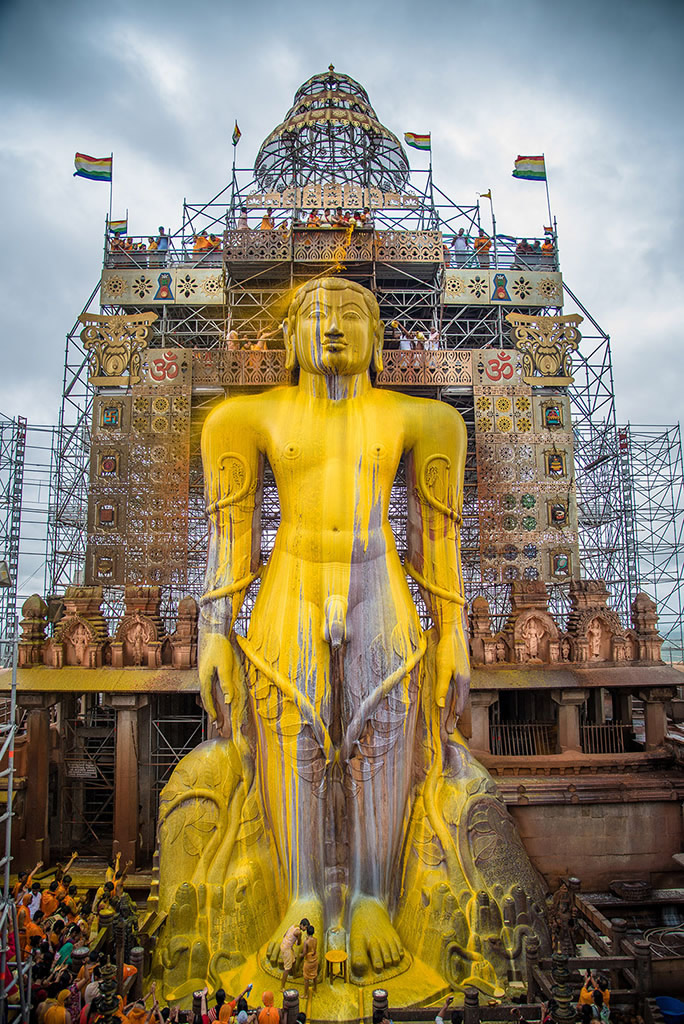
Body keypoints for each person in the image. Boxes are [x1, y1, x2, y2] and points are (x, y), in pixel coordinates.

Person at [279, 918, 308, 990]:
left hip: (285, 945)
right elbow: (298, 944)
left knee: (294, 961)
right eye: (305, 927)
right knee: (287, 968)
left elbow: (284, 934)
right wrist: (300, 938)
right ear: (302, 925)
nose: (305, 929)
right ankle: (282, 987)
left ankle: (295, 975)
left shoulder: (294, 926)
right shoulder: (299, 932)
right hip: (286, 948)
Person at [301, 925, 318, 998]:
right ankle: (315, 988)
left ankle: (305, 994)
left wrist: (300, 955)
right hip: (315, 959)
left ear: (307, 933)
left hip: (309, 961)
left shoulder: (306, 942)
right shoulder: (315, 939)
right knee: (314, 975)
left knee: (306, 978)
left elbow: (304, 953)